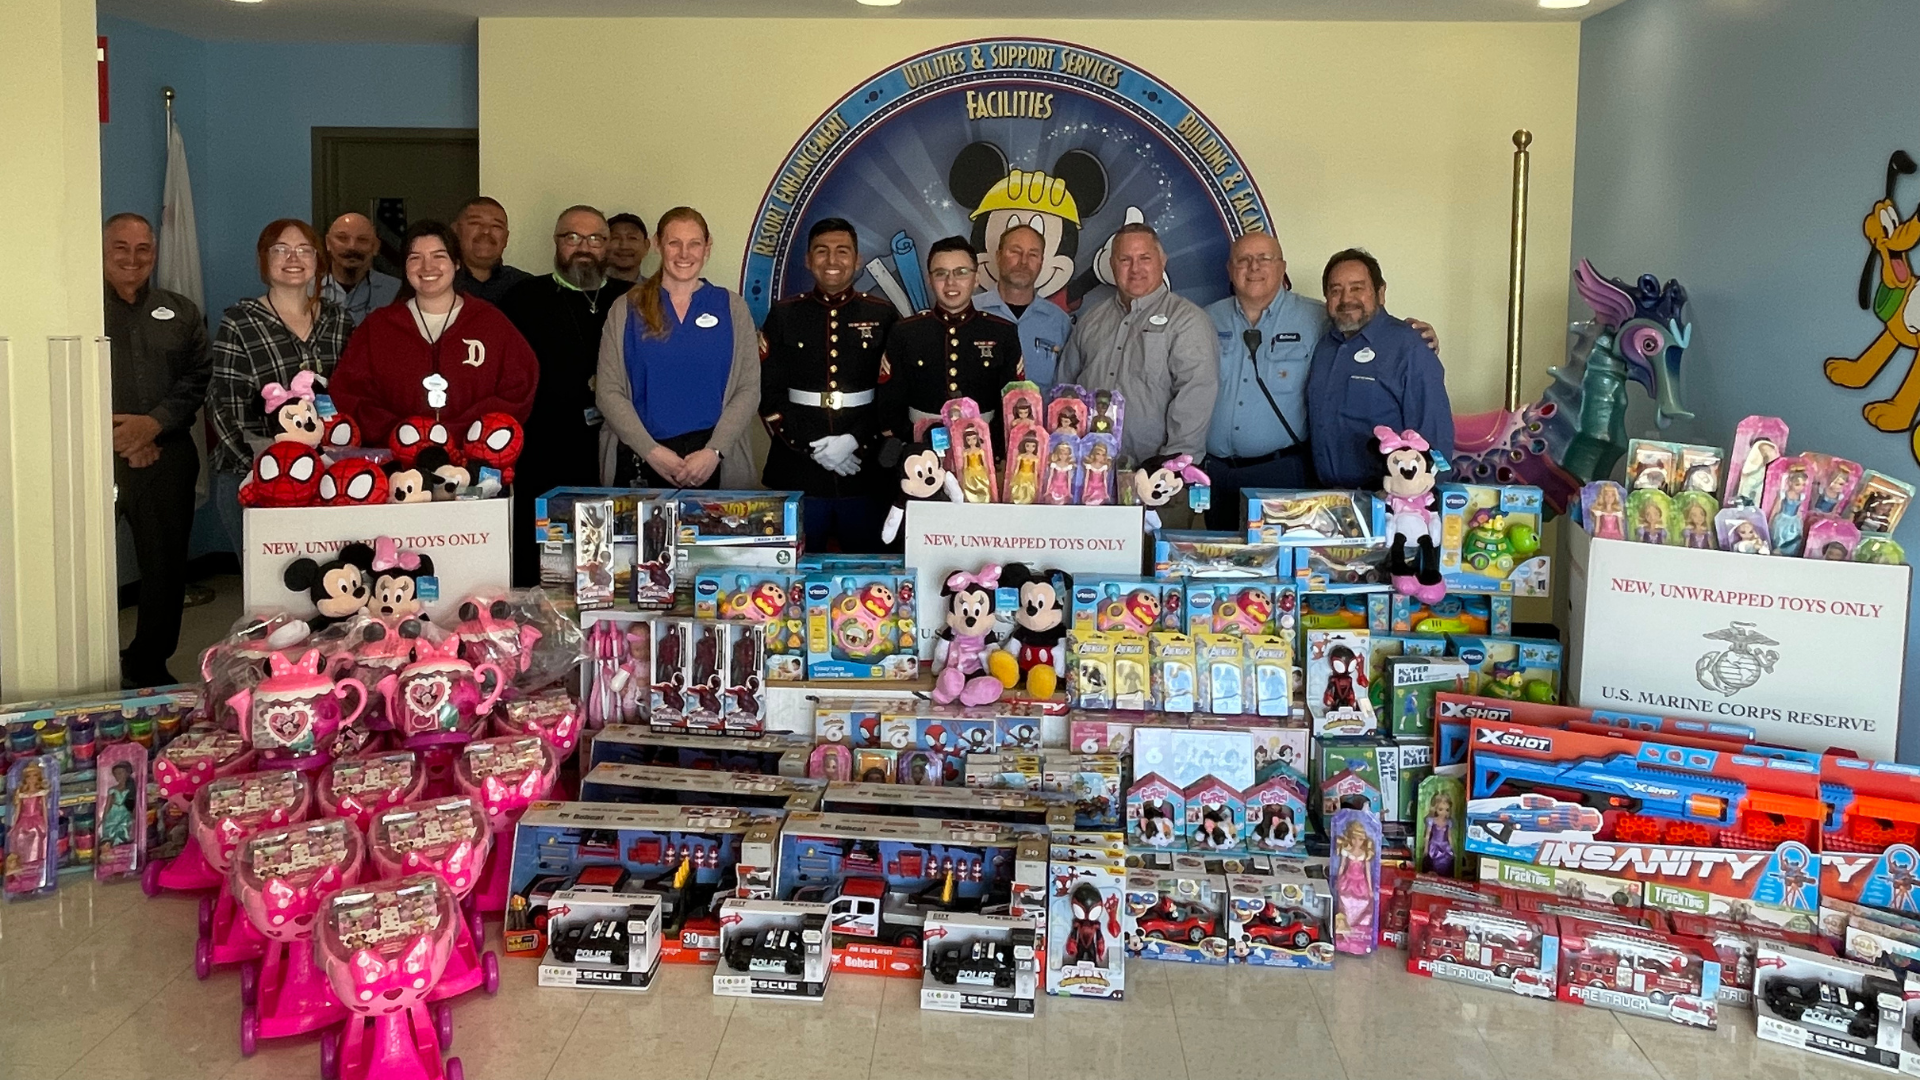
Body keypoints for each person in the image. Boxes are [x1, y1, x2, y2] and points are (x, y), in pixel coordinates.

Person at [103, 213, 211, 687]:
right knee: (82, 565)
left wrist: (152, 426)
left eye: (143, 248)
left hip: (167, 456)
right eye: (120, 247)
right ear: (102, 250)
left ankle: (148, 662)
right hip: (93, 457)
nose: (132, 257)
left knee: (166, 570)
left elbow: (197, 378)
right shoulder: (74, 308)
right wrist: (118, 437)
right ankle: (86, 663)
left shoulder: (181, 311)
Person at [500, 205, 630, 585]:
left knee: (613, 562)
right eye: (572, 238)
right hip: (543, 450)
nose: (583, 247)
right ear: (556, 243)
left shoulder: (634, 300)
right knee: (543, 559)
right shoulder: (522, 298)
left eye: (595, 239)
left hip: (614, 449)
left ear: (608, 245)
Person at [207, 219, 354, 548]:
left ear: (318, 261)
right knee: (267, 591)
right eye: (281, 250)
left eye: (304, 250)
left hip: (324, 476)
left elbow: (351, 397)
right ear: (263, 260)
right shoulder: (240, 321)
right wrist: (271, 469)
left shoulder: (338, 320)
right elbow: (224, 407)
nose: (293, 258)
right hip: (254, 476)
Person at [1056, 223, 1216, 525]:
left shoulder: (1187, 321)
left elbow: (1195, 395)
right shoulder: (1091, 320)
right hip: (1090, 478)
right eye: (1125, 259)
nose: (1135, 268)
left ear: (1162, 261)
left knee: (1154, 565)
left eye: (1144, 258)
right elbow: (1066, 391)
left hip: (1156, 480)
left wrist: (1168, 469)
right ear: (1112, 264)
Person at [329, 220, 538, 450]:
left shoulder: (490, 323)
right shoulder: (378, 327)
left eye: (439, 256)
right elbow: (349, 393)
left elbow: (520, 388)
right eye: (415, 257)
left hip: (474, 464)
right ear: (405, 267)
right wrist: (406, 434)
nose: (427, 267)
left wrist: (464, 431)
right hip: (396, 467)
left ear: (456, 263)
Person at [595, 206, 759, 490]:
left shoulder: (732, 308)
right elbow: (608, 392)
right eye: (675, 243)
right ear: (658, 244)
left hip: (712, 464)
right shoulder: (626, 308)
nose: (685, 254)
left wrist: (714, 451)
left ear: (707, 248)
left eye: (694, 243)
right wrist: (651, 452)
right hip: (641, 459)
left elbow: (748, 389)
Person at [760, 218, 898, 553]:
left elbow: (891, 395)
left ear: (858, 259)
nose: (832, 261)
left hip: (864, 471)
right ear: (808, 260)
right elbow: (768, 391)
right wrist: (813, 448)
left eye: (842, 251)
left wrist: (854, 440)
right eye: (821, 252)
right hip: (797, 469)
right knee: (792, 575)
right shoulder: (784, 314)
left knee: (869, 578)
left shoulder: (882, 314)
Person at [1305, 249, 1454, 490]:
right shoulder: (1325, 346)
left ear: (1380, 292)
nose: (1345, 299)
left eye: (1357, 288)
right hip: (1329, 499)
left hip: (1389, 506)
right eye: (1335, 290)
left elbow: (1436, 442)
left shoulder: (1410, 348)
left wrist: (1417, 506)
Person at [876, 236, 1024, 444]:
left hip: (985, 449)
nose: (951, 282)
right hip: (921, 448)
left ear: (977, 278)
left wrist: (997, 452)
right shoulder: (905, 332)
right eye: (940, 273)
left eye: (961, 272)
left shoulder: (1002, 332)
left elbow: (1012, 400)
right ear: (929, 280)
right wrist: (912, 446)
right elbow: (890, 401)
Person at [973, 224, 1073, 388]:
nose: (1024, 262)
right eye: (1015, 252)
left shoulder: (1059, 322)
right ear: (998, 256)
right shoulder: (971, 313)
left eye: (1033, 254)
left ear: (1041, 262)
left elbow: (1067, 389)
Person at [318, 212, 399, 325]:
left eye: (362, 240)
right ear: (328, 243)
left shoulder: (396, 291)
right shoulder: (308, 290)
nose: (352, 246)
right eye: (342, 238)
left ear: (376, 246)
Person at [451, 196, 531, 305]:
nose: (486, 231)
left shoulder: (527, 287)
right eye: (475, 223)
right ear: (455, 231)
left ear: (506, 238)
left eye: (496, 226)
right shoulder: (435, 283)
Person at [605, 212, 651, 284]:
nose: (624, 246)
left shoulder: (655, 291)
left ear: (646, 245)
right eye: (615, 238)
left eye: (632, 238)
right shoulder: (588, 289)